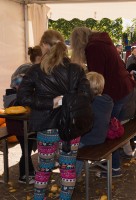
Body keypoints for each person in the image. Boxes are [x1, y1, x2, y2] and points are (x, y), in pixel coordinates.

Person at [17, 30, 91, 200]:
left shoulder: (36, 70)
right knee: (68, 167)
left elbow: (22, 97)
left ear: (44, 45)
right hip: (71, 127)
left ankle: (38, 198)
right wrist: (67, 100)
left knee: (44, 167)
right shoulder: (76, 69)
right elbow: (87, 96)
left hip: (46, 126)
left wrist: (50, 103)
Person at [70, 27, 136, 171]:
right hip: (124, 88)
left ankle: (114, 166)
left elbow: (96, 76)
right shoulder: (102, 42)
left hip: (116, 90)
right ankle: (113, 163)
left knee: (108, 128)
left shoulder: (93, 47)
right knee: (112, 126)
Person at [5, 45, 42, 184]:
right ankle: (24, 174)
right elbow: (23, 90)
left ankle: (29, 171)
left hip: (25, 116)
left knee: (27, 142)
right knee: (25, 144)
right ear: (40, 58)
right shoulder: (27, 70)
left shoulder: (32, 69)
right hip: (18, 115)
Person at [75, 72, 115, 178]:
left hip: (88, 139)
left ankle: (73, 176)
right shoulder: (108, 101)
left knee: (73, 148)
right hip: (101, 137)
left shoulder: (88, 103)